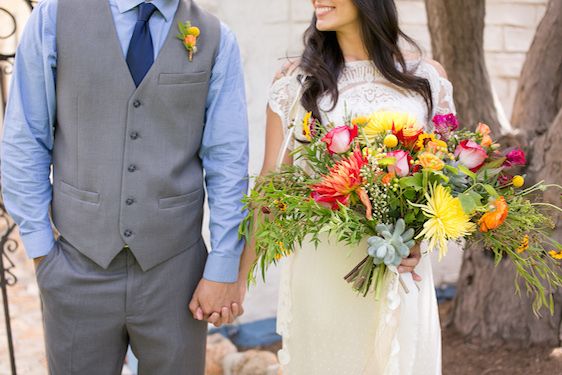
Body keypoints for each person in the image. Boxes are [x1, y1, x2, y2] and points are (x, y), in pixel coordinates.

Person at [1, 0, 249, 373]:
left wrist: (223, 265)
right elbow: (25, 138)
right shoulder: (54, 18)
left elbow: (228, 161)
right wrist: (42, 253)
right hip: (76, 265)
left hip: (176, 273)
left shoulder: (216, 38)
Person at [257, 0, 455, 373]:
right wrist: (235, 275)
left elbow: (447, 181)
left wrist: (417, 239)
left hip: (403, 272)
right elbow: (270, 186)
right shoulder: (295, 80)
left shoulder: (426, 78)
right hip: (325, 269)